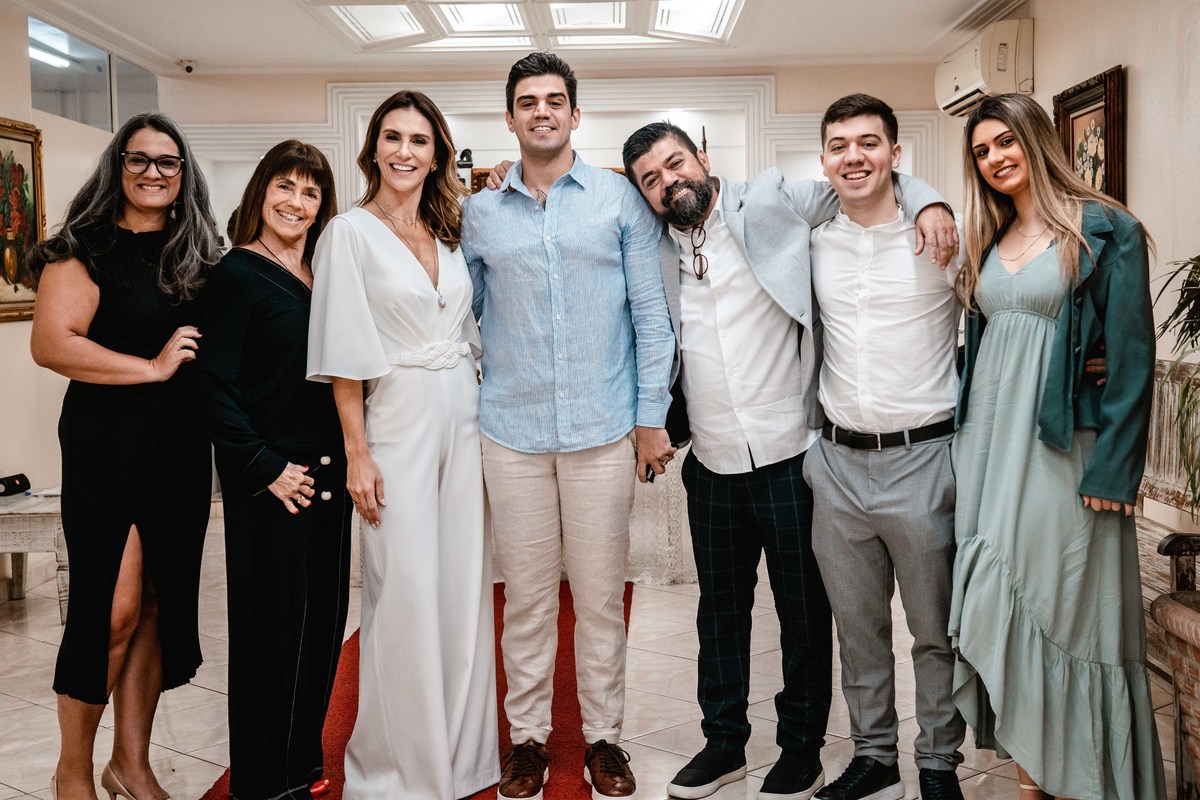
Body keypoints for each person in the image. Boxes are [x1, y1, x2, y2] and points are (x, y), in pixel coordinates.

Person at [621, 120, 956, 800]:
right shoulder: (649, 247)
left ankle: (801, 750)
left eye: (676, 163)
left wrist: (931, 202)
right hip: (710, 460)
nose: (669, 182)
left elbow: (864, 183)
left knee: (804, 618)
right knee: (720, 615)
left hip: (791, 456)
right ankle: (723, 743)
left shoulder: (773, 200)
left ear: (703, 156)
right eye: (651, 180)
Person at [462, 52, 675, 800]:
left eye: (555, 100)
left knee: (598, 598)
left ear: (576, 115)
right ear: (511, 118)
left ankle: (603, 737)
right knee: (524, 600)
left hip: (602, 430)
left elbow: (652, 317)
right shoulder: (481, 212)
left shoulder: (620, 201)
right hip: (510, 431)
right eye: (528, 102)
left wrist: (651, 419)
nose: (543, 112)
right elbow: (464, 316)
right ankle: (527, 740)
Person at [949, 92, 1165, 800]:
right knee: (992, 604)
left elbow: (1132, 357)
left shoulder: (1106, 229)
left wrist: (1115, 469)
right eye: (981, 151)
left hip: (1062, 450)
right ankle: (1031, 787)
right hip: (987, 449)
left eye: (1005, 141)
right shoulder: (990, 236)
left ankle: (1087, 779)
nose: (994, 159)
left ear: (1037, 139)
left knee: (1063, 610)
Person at [306, 90, 498, 800]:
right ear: (373, 148)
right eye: (392, 137)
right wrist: (358, 453)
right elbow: (343, 354)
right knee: (405, 589)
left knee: (464, 587)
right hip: (397, 418)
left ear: (437, 153)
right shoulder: (348, 233)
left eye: (419, 140)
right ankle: (401, 768)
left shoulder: (451, 230)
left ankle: (465, 756)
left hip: (465, 414)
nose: (405, 152)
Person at [27, 113, 220, 800]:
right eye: (138, 159)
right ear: (118, 166)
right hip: (106, 446)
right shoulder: (82, 249)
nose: (152, 173)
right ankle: (72, 771)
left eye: (167, 162)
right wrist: (152, 368)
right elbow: (52, 343)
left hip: (180, 447)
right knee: (111, 609)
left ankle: (130, 766)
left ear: (184, 174)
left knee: (158, 606)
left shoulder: (197, 254)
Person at [800, 95, 967, 800]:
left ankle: (938, 763)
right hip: (837, 464)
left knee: (935, 630)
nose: (854, 157)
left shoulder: (944, 238)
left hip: (925, 459)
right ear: (823, 160)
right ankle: (874, 758)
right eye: (839, 145)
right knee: (859, 629)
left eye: (869, 143)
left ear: (897, 154)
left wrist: (931, 202)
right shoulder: (811, 242)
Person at [195, 140, 350, 800]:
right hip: (272, 481)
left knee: (321, 626)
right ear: (260, 192)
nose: (296, 201)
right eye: (284, 186)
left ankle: (300, 765)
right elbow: (213, 386)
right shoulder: (235, 275)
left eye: (310, 192)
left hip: (329, 475)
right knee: (270, 635)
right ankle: (260, 783)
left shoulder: (324, 272)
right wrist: (265, 467)